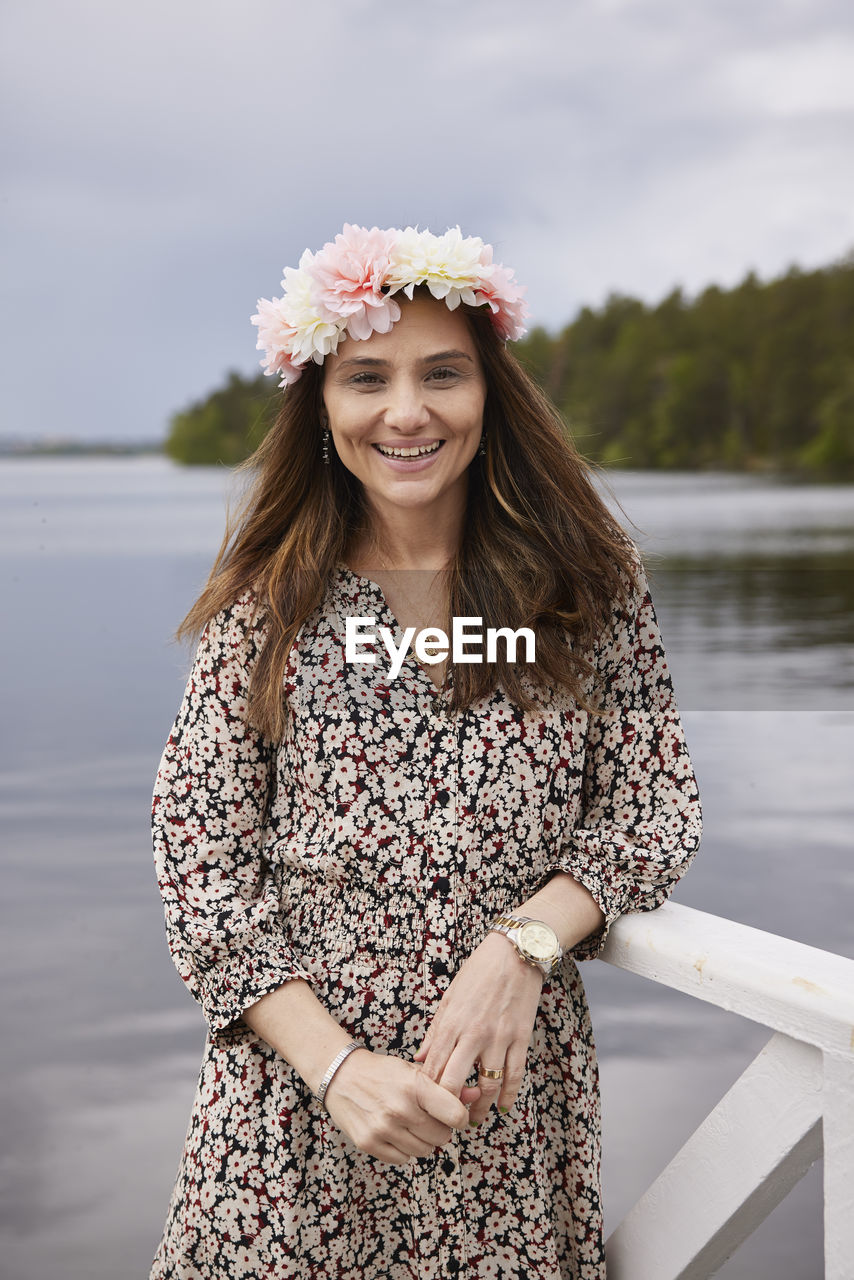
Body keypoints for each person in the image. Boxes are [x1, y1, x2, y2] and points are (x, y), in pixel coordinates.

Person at [150, 224, 702, 1280]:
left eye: (441, 372)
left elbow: (652, 806)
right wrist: (338, 1066)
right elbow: (199, 863)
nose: (406, 410)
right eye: (367, 377)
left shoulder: (587, 582)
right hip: (291, 1126)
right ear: (321, 404)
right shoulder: (268, 603)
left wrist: (522, 946)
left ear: (489, 391)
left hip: (495, 1116)